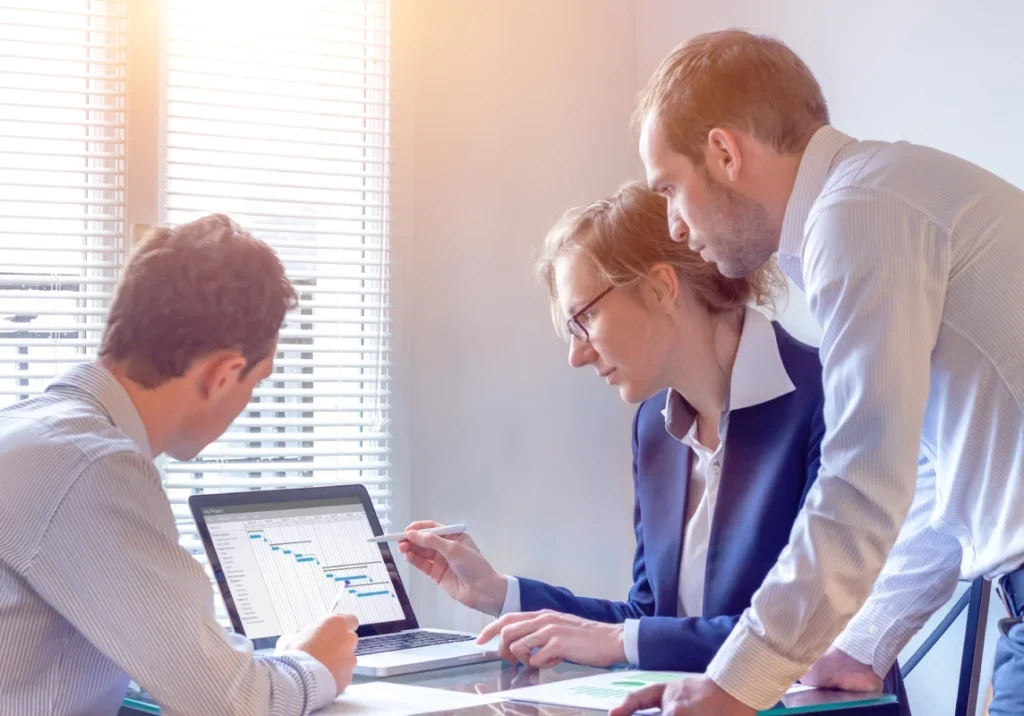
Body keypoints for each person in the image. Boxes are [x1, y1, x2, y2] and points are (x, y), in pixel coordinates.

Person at [616, 29, 1024, 716]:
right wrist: (863, 646)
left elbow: (861, 481)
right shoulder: (884, 197)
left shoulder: (858, 213)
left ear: (723, 152)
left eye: (671, 190)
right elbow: (928, 480)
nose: (676, 228)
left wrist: (735, 683)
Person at [396, 182, 908, 711]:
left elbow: (811, 637)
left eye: (583, 320)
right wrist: (499, 593)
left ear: (661, 288)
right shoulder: (654, 427)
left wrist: (620, 641)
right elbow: (650, 619)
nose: (576, 354)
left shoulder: (831, 398)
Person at [0, 215, 359, 716]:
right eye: (255, 382)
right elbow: (234, 704)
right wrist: (311, 665)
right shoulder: (91, 469)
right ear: (223, 373)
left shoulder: (29, 432)